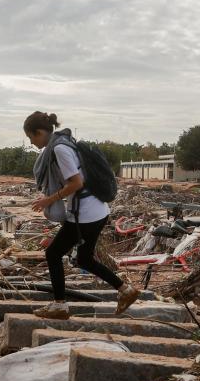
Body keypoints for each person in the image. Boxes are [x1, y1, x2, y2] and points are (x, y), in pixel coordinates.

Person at [26, 111, 140, 319]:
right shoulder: (64, 142)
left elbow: (77, 182)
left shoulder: (59, 149)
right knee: (85, 259)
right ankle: (126, 290)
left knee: (52, 254)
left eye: (31, 137)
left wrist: (48, 200)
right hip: (96, 210)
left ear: (40, 132)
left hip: (85, 213)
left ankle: (59, 305)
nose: (32, 142)